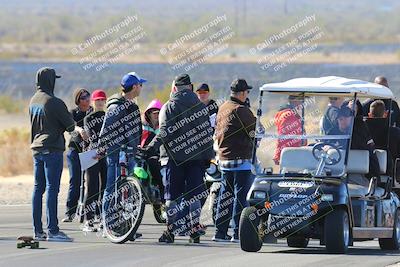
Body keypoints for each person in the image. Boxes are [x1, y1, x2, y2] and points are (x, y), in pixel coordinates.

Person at [145, 74, 214, 243]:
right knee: (194, 195)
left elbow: (164, 132)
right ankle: (194, 229)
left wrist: (150, 148)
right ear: (190, 87)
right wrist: (207, 159)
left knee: (172, 196)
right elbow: (207, 136)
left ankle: (170, 232)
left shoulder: (169, 107)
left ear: (174, 88)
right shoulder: (200, 107)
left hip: (173, 159)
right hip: (197, 159)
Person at [29, 67, 75, 241]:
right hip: (52, 149)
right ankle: (53, 231)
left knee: (37, 189)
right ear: (50, 81)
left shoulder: (33, 100)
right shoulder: (54, 102)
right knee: (51, 189)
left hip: (37, 149)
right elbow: (70, 126)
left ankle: (37, 231)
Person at [97, 72, 144, 234]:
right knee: (112, 187)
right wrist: (103, 147)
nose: (142, 88)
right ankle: (108, 225)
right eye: (140, 85)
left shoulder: (132, 105)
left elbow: (136, 130)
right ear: (135, 86)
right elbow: (106, 129)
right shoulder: (116, 106)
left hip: (130, 152)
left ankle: (126, 226)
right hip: (116, 153)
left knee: (129, 188)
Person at [212, 78, 256, 243]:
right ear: (243, 93)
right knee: (240, 196)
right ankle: (237, 232)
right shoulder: (241, 109)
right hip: (240, 160)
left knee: (225, 195)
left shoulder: (223, 107)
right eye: (247, 92)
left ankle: (220, 232)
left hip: (224, 159)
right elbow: (257, 129)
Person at [63, 88, 93, 222]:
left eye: (88, 96)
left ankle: (88, 212)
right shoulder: (72, 112)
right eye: (83, 97)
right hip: (75, 150)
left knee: (91, 182)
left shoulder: (93, 111)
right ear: (78, 100)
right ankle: (70, 212)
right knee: (75, 181)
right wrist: (80, 129)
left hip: (90, 150)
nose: (86, 99)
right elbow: (71, 126)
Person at [329, 105, 381, 181]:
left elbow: (354, 144)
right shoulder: (337, 131)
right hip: (347, 173)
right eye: (340, 119)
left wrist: (334, 147)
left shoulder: (359, 128)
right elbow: (328, 140)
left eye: (346, 118)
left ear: (352, 119)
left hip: (368, 177)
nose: (343, 121)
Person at [81, 89, 107, 232]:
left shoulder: (108, 116)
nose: (100, 102)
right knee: (92, 188)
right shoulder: (88, 118)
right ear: (93, 101)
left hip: (106, 154)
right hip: (92, 153)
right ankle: (88, 220)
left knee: (105, 187)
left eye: (102, 100)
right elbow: (91, 136)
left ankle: (102, 217)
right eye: (97, 100)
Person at [368, 100, 400, 175]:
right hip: (391, 173)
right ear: (385, 114)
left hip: (367, 172)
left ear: (369, 115)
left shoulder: (363, 131)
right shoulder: (395, 132)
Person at [140, 99, 164, 201]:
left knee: (153, 162)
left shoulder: (163, 128)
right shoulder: (143, 127)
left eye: (158, 113)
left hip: (159, 156)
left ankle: (160, 190)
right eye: (153, 113)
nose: (156, 115)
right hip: (142, 154)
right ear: (148, 114)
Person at [273, 95, 305, 165]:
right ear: (295, 100)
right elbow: (283, 137)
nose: (302, 104)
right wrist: (278, 155)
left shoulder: (289, 113)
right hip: (292, 155)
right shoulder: (289, 115)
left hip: (291, 153)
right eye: (302, 101)